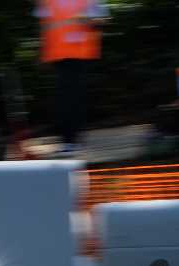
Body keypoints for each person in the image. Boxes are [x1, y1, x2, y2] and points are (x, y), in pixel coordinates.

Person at [35, 0, 110, 156]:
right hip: (58, 56)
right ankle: (69, 140)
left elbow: (101, 21)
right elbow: (44, 26)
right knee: (64, 99)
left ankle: (71, 141)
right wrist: (42, 52)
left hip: (79, 54)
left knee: (71, 99)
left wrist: (89, 20)